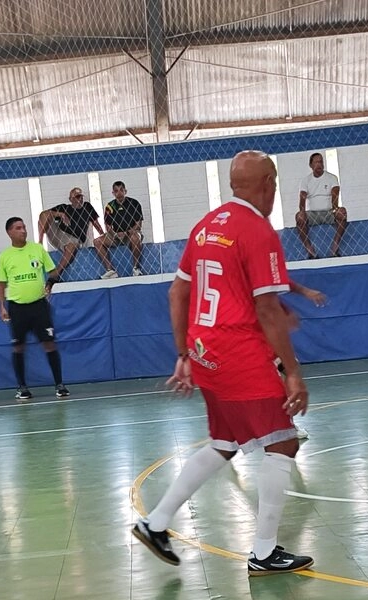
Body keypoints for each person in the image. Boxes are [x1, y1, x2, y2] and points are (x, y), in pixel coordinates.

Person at [133, 150, 323, 576]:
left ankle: (155, 523)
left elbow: (176, 294)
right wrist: (293, 372)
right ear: (268, 184)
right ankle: (263, 552)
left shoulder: (206, 226)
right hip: (239, 354)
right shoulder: (257, 230)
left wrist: (183, 354)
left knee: (224, 441)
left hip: (205, 352)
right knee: (283, 443)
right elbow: (267, 309)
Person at [0, 217, 69, 402]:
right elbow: (1, 284)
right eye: (18, 228)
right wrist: (1, 307)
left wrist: (49, 283)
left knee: (49, 343)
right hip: (17, 308)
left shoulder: (37, 249)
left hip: (39, 306)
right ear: (9, 232)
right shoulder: (5, 256)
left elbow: (53, 271)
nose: (23, 230)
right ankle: (22, 388)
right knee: (18, 347)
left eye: (24, 227)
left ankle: (59, 385)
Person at [37, 187, 104, 286]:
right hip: (59, 234)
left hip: (75, 238)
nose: (80, 199)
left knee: (72, 244)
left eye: (81, 196)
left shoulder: (87, 207)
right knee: (44, 214)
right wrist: (60, 214)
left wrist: (103, 235)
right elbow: (45, 215)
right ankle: (39, 244)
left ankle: (56, 273)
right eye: (77, 197)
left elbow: (96, 223)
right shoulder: (64, 207)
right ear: (71, 199)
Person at [296, 152, 347, 259]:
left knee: (342, 212)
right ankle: (310, 250)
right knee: (299, 216)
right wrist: (302, 212)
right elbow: (302, 198)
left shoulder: (332, 178)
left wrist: (335, 209)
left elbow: (335, 194)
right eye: (316, 162)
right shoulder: (305, 181)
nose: (319, 164)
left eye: (321, 162)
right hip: (312, 215)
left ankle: (335, 247)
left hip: (329, 212)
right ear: (311, 165)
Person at [93, 180, 145, 278]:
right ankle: (110, 270)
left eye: (121, 190)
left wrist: (126, 233)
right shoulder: (110, 206)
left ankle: (136, 268)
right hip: (116, 236)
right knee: (97, 241)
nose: (119, 193)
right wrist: (115, 234)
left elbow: (138, 225)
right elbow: (107, 226)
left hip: (130, 235)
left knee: (136, 237)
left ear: (125, 191)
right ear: (113, 193)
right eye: (116, 191)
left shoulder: (134, 203)